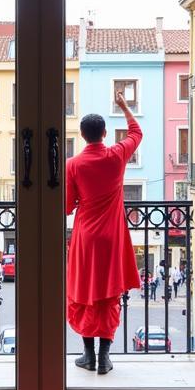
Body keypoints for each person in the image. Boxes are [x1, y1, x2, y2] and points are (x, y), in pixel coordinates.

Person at [66, 91, 142, 375]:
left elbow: (66, 206)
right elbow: (136, 132)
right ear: (104, 133)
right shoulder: (117, 155)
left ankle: (87, 354)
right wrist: (124, 106)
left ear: (83, 136)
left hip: (86, 237)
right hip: (112, 238)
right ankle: (105, 357)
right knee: (108, 295)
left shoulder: (73, 165)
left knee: (85, 293)